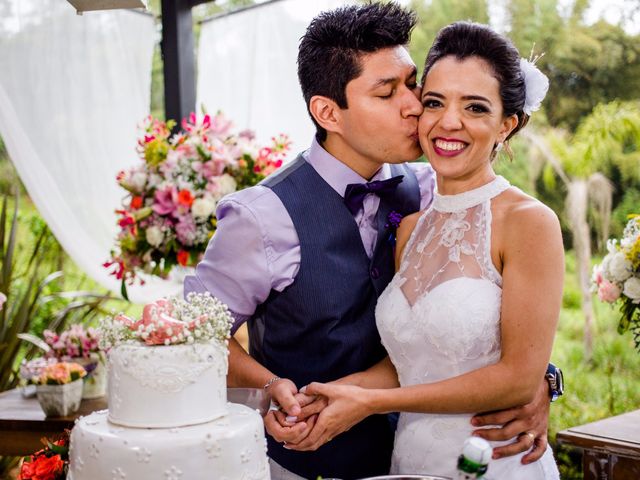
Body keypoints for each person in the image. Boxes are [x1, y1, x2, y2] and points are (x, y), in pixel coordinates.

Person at [185, 5, 554, 480]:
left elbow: (493, 313)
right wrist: (271, 385)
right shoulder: (261, 216)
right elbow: (197, 333)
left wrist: (540, 381)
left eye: (411, 83)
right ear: (327, 112)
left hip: (430, 453)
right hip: (308, 461)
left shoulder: (428, 188)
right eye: (387, 93)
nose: (416, 106)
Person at [286, 21, 564, 479]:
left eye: (475, 107)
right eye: (434, 102)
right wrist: (327, 397)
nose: (448, 122)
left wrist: (372, 403)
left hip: (493, 460)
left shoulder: (528, 222)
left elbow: (517, 376)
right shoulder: (412, 227)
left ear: (506, 124)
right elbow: (413, 362)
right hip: (412, 458)